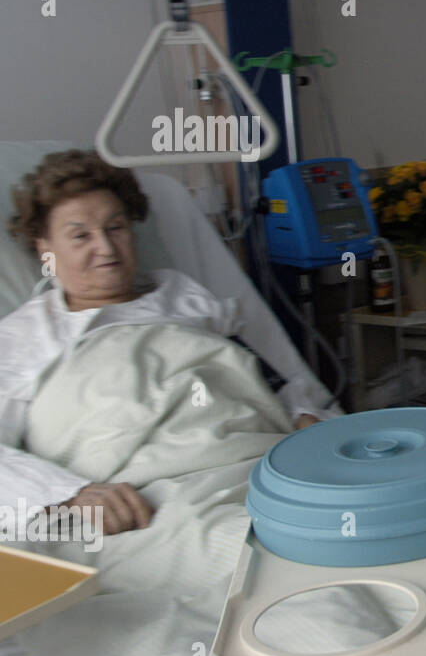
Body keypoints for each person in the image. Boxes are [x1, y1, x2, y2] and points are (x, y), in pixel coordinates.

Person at [0, 149, 342, 535]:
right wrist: (70, 494)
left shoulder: (184, 296)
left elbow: (264, 376)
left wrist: (306, 416)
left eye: (116, 228)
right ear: (45, 248)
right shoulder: (25, 335)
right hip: (153, 499)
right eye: (80, 236)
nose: (107, 249)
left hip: (263, 465)